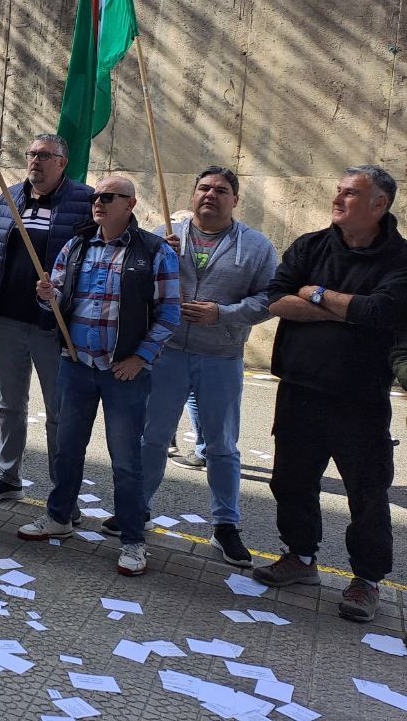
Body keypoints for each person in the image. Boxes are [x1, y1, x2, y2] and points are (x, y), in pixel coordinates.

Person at [254, 165, 407, 623]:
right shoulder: (310, 245)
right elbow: (276, 299)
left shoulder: (400, 258)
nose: (338, 199)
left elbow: (381, 311)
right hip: (299, 387)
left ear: (379, 204)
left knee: (367, 493)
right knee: (290, 481)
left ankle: (367, 580)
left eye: (351, 193)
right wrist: (346, 310)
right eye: (338, 190)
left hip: (360, 398)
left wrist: (315, 294)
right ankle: (300, 557)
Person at [103, 168, 276, 567]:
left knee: (221, 445)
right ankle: (138, 509)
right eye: (204, 188)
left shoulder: (255, 246)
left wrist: (224, 313)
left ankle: (226, 525)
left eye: (222, 190)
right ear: (193, 194)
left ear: (235, 200)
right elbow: (128, 280)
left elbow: (270, 298)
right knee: (151, 437)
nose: (211, 195)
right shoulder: (165, 236)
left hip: (221, 357)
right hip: (166, 353)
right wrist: (151, 257)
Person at [17, 176, 181, 578]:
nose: (98, 202)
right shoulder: (76, 246)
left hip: (124, 373)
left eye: (108, 197)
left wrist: (140, 358)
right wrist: (47, 296)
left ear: (130, 203)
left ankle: (133, 540)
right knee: (67, 449)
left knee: (125, 461)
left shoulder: (155, 251)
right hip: (76, 365)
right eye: (95, 196)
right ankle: (59, 517)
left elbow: (169, 314)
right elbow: (59, 299)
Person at [0, 134, 93, 505]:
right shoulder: (10, 197)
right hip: (6, 319)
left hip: (53, 325)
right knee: (10, 404)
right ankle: (7, 476)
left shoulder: (85, 201)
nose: (35, 161)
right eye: (31, 154)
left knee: (59, 411)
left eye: (44, 155)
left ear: (62, 162)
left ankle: (62, 493)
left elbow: (99, 254)